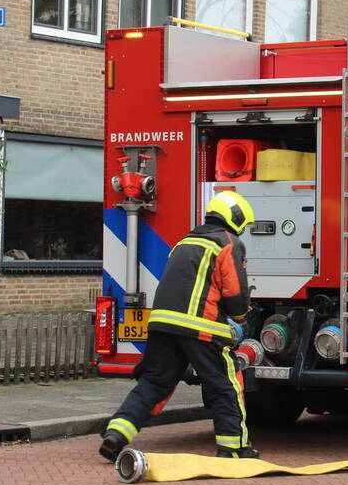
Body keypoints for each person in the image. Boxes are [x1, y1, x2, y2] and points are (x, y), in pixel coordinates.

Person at [99, 190, 259, 461]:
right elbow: (234, 292)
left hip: (161, 324)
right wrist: (242, 317)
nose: (242, 230)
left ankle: (116, 434)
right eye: (242, 224)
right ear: (235, 218)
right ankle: (233, 448)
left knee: (154, 382)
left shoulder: (184, 242)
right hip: (200, 328)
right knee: (224, 385)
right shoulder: (228, 243)